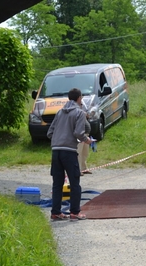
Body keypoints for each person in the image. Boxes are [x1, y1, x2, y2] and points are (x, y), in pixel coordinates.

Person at [47, 88, 92, 221]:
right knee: (74, 182)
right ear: (79, 98)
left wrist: (58, 139)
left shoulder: (60, 112)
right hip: (69, 151)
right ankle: (75, 212)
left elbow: (50, 132)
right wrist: (86, 140)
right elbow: (79, 132)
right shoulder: (79, 112)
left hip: (56, 151)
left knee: (57, 183)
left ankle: (55, 212)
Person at [77, 110, 92, 176]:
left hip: (86, 135)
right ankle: (78, 170)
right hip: (81, 135)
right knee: (79, 152)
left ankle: (84, 168)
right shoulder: (77, 112)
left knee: (85, 152)